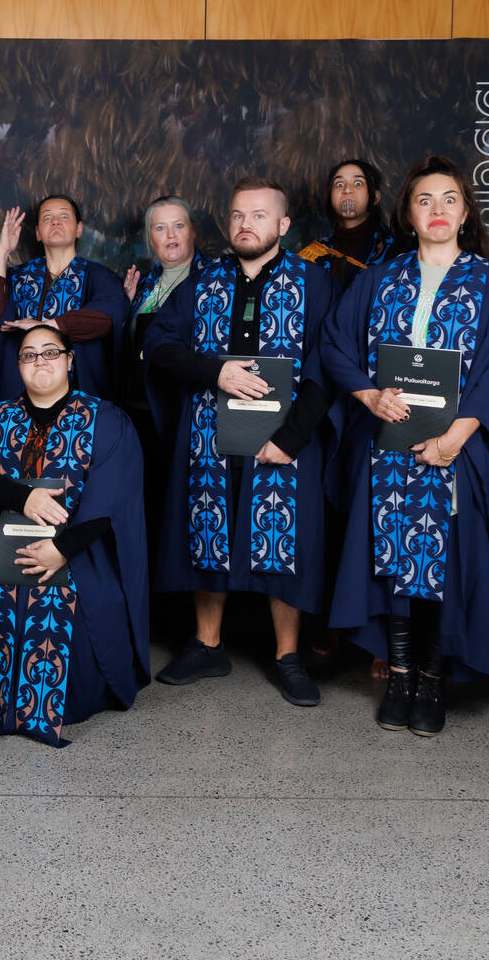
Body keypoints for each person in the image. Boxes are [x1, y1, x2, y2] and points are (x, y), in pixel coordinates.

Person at [323, 155, 489, 737]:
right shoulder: (379, 279)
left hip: (454, 456)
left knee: (442, 566)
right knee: (391, 563)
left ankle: (433, 682)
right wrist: (367, 398)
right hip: (387, 448)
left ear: (466, 210)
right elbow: (336, 344)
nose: (436, 211)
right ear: (407, 213)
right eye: (424, 201)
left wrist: (456, 439)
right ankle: (401, 675)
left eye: (448, 200)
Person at [144, 179, 337, 708]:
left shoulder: (314, 282)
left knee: (284, 537)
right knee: (209, 530)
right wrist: (215, 371)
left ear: (283, 226)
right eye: (236, 215)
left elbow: (330, 363)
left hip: (285, 436)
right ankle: (208, 645)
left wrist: (295, 438)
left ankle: (287, 655)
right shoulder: (202, 283)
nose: (245, 224)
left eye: (258, 215)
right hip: (210, 433)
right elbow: (159, 344)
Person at [0, 324, 153, 747]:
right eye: (29, 354)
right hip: (2, 548)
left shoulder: (105, 419)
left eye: (50, 352)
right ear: (18, 366)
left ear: (70, 359)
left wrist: (60, 550)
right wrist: (23, 498)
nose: (40, 361)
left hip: (80, 551)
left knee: (77, 621)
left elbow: (109, 500)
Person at [117, 195, 211, 546]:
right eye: (160, 227)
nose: (170, 235)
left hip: (183, 412)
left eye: (179, 226)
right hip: (140, 415)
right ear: (149, 238)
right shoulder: (144, 286)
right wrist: (125, 312)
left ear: (193, 232)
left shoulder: (213, 282)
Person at [0, 196, 129, 401]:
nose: (55, 221)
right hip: (19, 394)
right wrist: (2, 251)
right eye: (47, 217)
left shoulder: (100, 277)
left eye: (64, 216)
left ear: (79, 229)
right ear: (38, 234)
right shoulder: (17, 277)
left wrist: (43, 326)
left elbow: (106, 318)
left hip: (78, 397)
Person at [299, 158, 401, 290]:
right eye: (339, 184)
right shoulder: (311, 255)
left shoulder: (396, 252)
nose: (347, 190)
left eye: (358, 183)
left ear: (375, 197)